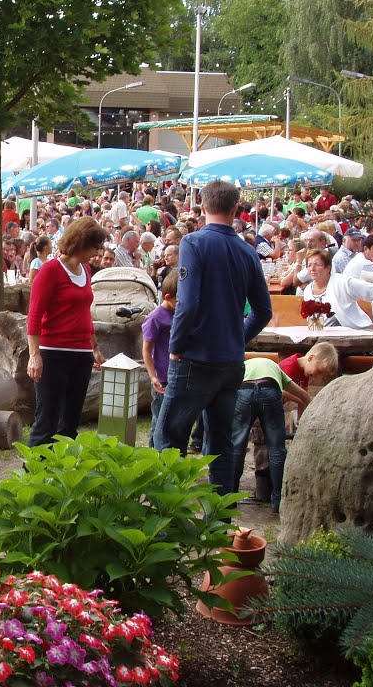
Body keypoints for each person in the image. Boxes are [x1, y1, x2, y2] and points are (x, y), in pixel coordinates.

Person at [153, 179, 272, 498]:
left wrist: (175, 346)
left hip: (195, 359)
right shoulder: (248, 252)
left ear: (202, 207)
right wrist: (237, 339)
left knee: (168, 438)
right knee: (220, 443)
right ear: (235, 210)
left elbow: (187, 303)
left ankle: (167, 516)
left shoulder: (193, 243)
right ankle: (219, 521)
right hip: (230, 363)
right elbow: (263, 310)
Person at [26, 217, 108, 448]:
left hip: (81, 353)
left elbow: (84, 312)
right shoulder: (50, 270)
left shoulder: (86, 270)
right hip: (53, 352)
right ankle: (33, 475)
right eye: (95, 246)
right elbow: (34, 315)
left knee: (70, 421)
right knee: (47, 420)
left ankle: (62, 475)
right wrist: (35, 355)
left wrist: (94, 347)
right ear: (81, 243)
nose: (97, 252)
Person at [231, 357, 312, 514]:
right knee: (276, 449)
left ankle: (230, 498)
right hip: (270, 389)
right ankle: (278, 501)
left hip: (244, 390)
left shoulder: (243, 365)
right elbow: (302, 394)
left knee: (237, 446)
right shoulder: (274, 368)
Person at [303, 249, 373, 330]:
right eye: (309, 265)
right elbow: (315, 324)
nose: (312, 269)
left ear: (328, 268)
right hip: (327, 337)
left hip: (356, 334)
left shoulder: (343, 282)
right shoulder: (308, 290)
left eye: (316, 264)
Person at [142, 273, 177, 448]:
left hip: (175, 375)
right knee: (159, 421)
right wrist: (152, 376)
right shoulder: (156, 317)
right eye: (180, 301)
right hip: (161, 378)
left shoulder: (177, 314)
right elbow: (147, 349)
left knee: (172, 421)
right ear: (168, 297)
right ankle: (153, 454)